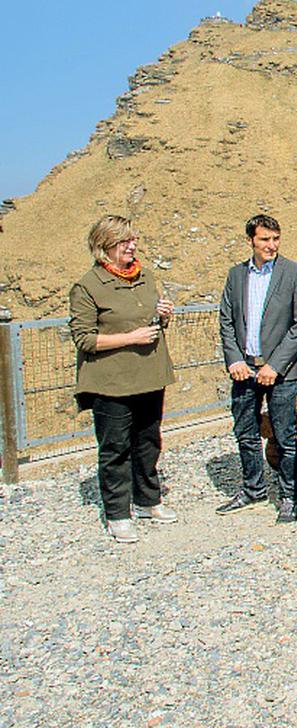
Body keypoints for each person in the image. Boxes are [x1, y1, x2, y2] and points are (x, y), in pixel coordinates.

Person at [69, 215, 177, 542]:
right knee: (115, 448)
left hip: (149, 376)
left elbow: (151, 326)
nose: (132, 246)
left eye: (133, 240)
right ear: (105, 247)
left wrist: (163, 316)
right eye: (124, 242)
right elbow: (85, 339)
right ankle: (117, 513)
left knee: (148, 442)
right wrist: (131, 338)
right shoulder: (88, 286)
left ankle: (148, 500)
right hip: (111, 383)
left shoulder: (144, 278)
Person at [216, 214, 297, 523]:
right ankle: (253, 488)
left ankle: (288, 495)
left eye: (275, 239)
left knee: (284, 435)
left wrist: (275, 364)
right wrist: (235, 359)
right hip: (245, 370)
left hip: (281, 372)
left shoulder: (294, 273)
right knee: (245, 432)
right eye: (264, 240)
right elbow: (227, 321)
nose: (271, 245)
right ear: (251, 242)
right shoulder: (236, 276)